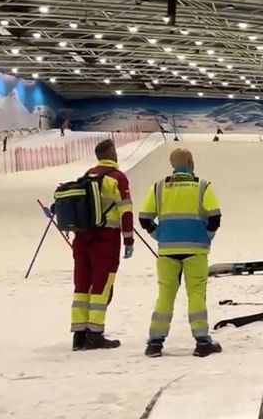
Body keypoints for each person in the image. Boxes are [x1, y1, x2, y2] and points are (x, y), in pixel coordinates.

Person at [138, 148, 222, 358]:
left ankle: (155, 342)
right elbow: (214, 218)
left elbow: (144, 218)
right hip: (196, 250)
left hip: (167, 251)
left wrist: (159, 235)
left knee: (165, 293)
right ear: (191, 162)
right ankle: (202, 341)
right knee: (195, 293)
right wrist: (206, 236)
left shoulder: (158, 187)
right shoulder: (202, 186)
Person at [69, 139, 135, 351]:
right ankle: (95, 334)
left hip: (81, 237)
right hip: (105, 239)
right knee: (101, 284)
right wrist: (128, 238)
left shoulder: (88, 175)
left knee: (81, 284)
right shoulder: (117, 178)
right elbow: (125, 210)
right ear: (112, 154)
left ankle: (79, 335)